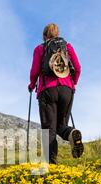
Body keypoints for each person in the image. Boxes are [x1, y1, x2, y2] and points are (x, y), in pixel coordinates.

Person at [28, 23, 83, 164]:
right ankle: (71, 134)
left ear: (44, 36)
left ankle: (51, 165)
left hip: (47, 91)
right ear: (58, 34)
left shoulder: (40, 49)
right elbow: (77, 68)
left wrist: (32, 84)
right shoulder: (67, 47)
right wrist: (72, 83)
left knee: (49, 130)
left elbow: (34, 71)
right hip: (67, 89)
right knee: (61, 125)